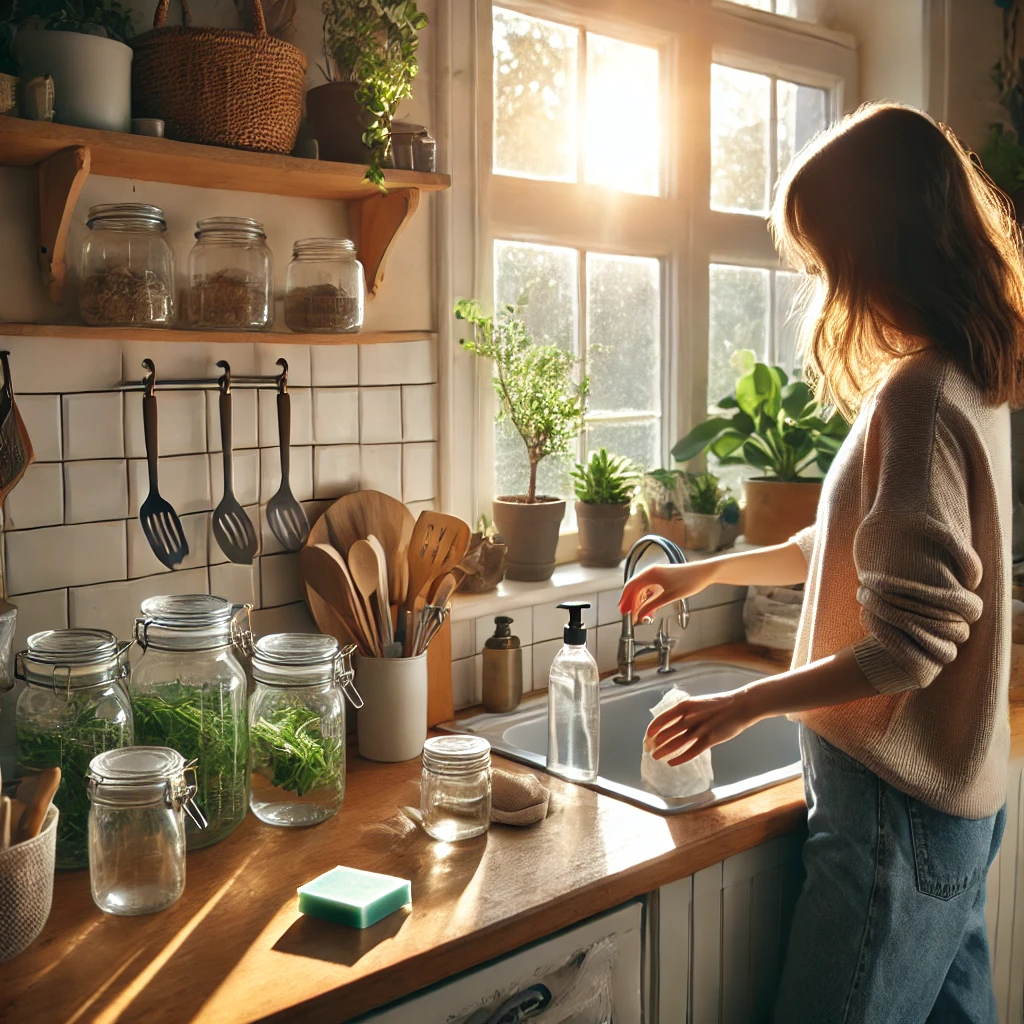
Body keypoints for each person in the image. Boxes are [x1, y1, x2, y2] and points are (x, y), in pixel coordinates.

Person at [619, 103, 1023, 1024]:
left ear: (880, 249)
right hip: (952, 809)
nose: (826, 285)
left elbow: (906, 650)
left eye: (827, 257)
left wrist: (740, 703)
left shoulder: (918, 400)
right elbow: (847, 554)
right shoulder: (963, 377)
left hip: (895, 812)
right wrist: (706, 573)